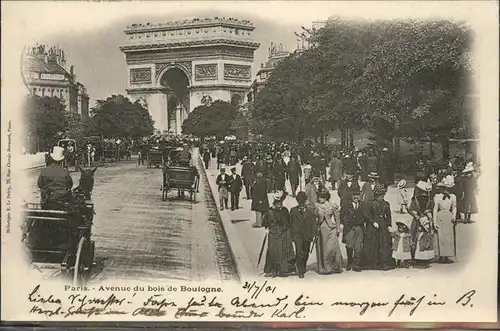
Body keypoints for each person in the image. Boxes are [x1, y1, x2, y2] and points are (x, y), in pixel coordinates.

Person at [262, 191, 295, 277]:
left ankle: (282, 269)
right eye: (277, 204)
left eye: (280, 204)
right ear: (274, 203)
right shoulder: (269, 211)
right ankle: (272, 269)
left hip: (283, 233)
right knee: (273, 251)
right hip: (273, 234)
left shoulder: (284, 210)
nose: (279, 205)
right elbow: (265, 222)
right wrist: (268, 228)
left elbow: (288, 222)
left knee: (282, 251)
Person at [361, 184, 393, 270]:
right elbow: (366, 215)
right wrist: (373, 221)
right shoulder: (370, 203)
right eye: (379, 195)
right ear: (376, 195)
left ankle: (384, 262)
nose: (381, 197)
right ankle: (372, 262)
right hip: (373, 226)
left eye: (382, 195)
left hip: (383, 225)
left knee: (384, 243)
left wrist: (389, 225)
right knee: (373, 243)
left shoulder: (386, 204)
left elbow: (389, 216)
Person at [340, 189, 369, 272]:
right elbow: (342, 215)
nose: (356, 197)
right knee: (349, 245)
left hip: (359, 227)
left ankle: (356, 264)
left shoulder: (363, 205)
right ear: (351, 197)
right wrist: (346, 223)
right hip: (349, 228)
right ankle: (349, 262)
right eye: (354, 195)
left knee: (358, 247)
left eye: (358, 195)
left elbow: (366, 216)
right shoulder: (346, 205)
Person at [314, 190, 342, 274]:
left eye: (321, 197)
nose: (319, 199)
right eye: (319, 197)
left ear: (326, 197)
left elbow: (337, 217)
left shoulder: (332, 205)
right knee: (323, 248)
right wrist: (318, 219)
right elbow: (314, 219)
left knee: (332, 248)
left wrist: (337, 228)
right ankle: (325, 268)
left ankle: (335, 266)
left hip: (331, 228)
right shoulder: (316, 206)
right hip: (322, 229)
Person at [289, 192, 316, 278]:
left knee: (306, 252)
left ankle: (303, 265)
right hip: (297, 235)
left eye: (303, 200)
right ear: (297, 201)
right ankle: (300, 270)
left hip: (307, 234)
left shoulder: (310, 211)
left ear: (305, 200)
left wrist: (314, 233)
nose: (301, 202)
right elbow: (290, 223)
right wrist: (292, 234)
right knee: (298, 252)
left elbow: (313, 223)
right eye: (299, 200)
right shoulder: (293, 210)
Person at [37, 146, 73, 210]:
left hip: (47, 201)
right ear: (62, 160)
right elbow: (70, 185)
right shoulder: (65, 171)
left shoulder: (44, 171)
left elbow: (40, 185)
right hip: (62, 202)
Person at [408, 180, 434, 268]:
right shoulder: (429, 200)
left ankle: (415, 256)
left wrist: (417, 217)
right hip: (426, 219)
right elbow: (430, 211)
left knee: (415, 236)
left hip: (417, 220)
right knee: (425, 236)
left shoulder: (415, 199)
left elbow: (412, 210)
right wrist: (430, 220)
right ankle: (425, 257)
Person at [433, 176, 457, 263]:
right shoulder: (438, 196)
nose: (447, 190)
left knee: (448, 237)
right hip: (440, 216)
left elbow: (454, 207)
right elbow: (435, 209)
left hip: (449, 217)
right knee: (441, 236)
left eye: (449, 188)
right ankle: (441, 256)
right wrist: (434, 221)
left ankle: (447, 256)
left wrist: (454, 216)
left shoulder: (453, 196)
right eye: (445, 188)